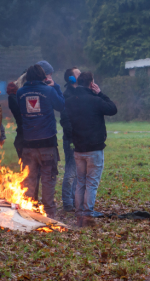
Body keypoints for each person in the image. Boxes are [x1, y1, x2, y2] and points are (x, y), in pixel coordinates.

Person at [65, 72, 117, 227]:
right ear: (91, 83)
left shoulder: (69, 102)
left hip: (78, 148)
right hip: (94, 148)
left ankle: (79, 212)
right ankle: (87, 214)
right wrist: (100, 93)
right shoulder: (96, 100)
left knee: (80, 181)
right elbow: (112, 109)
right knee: (92, 182)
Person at [16, 64, 65, 218]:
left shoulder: (20, 92)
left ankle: (29, 213)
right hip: (47, 144)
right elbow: (62, 106)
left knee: (30, 179)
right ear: (43, 76)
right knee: (48, 179)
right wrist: (55, 86)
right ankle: (49, 214)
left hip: (28, 144)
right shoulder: (48, 90)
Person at [60, 67, 81, 212]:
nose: (81, 75)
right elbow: (66, 120)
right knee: (70, 172)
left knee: (78, 172)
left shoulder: (79, 92)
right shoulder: (67, 95)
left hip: (79, 137)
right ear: (72, 79)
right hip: (71, 138)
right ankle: (67, 203)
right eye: (78, 73)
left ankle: (73, 201)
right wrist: (72, 137)